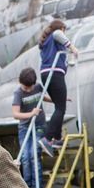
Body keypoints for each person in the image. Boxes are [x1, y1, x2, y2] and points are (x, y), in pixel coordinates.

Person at [38, 19, 78, 150]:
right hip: (54, 73)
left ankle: (57, 138)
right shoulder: (55, 35)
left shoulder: (45, 43)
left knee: (59, 107)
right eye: (64, 30)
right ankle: (47, 138)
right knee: (61, 109)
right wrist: (72, 47)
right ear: (61, 29)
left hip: (46, 75)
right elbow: (57, 34)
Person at [11, 67, 49, 188]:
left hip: (39, 126)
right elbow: (15, 114)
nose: (27, 90)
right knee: (25, 158)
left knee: (34, 155)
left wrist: (60, 100)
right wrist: (31, 114)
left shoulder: (38, 87)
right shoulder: (18, 93)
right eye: (25, 87)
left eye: (29, 88)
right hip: (25, 128)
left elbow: (45, 97)